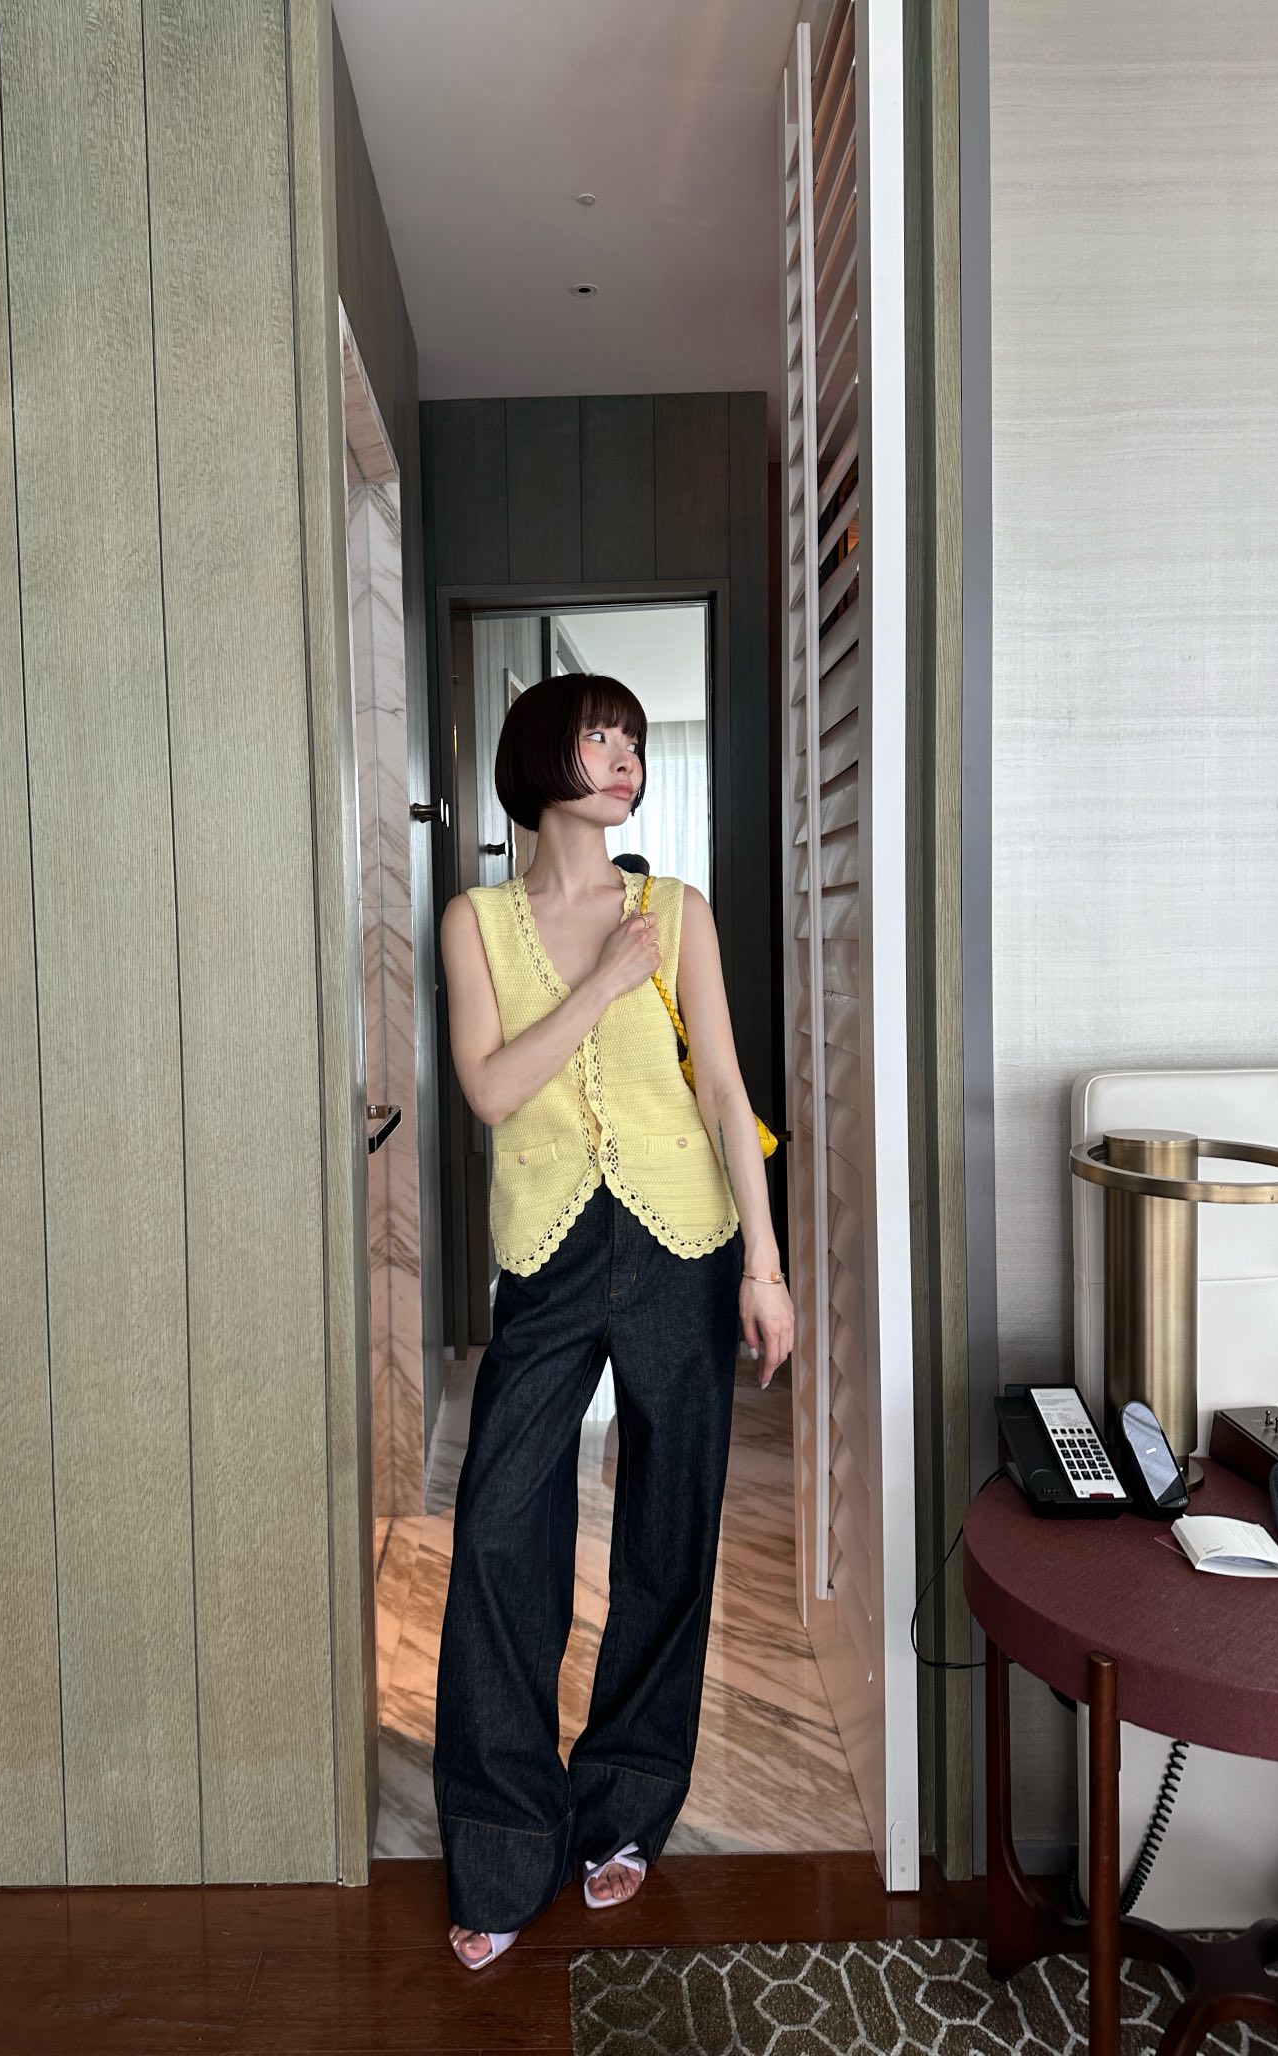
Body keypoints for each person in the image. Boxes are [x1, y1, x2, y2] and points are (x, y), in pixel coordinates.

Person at [433, 672, 794, 1970]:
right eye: (599, 736)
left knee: (667, 1528)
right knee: (499, 1533)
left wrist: (766, 1266)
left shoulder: (677, 910)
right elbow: (489, 1091)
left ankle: (626, 1807)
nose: (623, 756)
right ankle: (502, 1844)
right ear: (545, 757)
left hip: (683, 1243)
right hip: (547, 1249)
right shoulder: (474, 922)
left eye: (633, 739)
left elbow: (725, 1091)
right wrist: (599, 985)